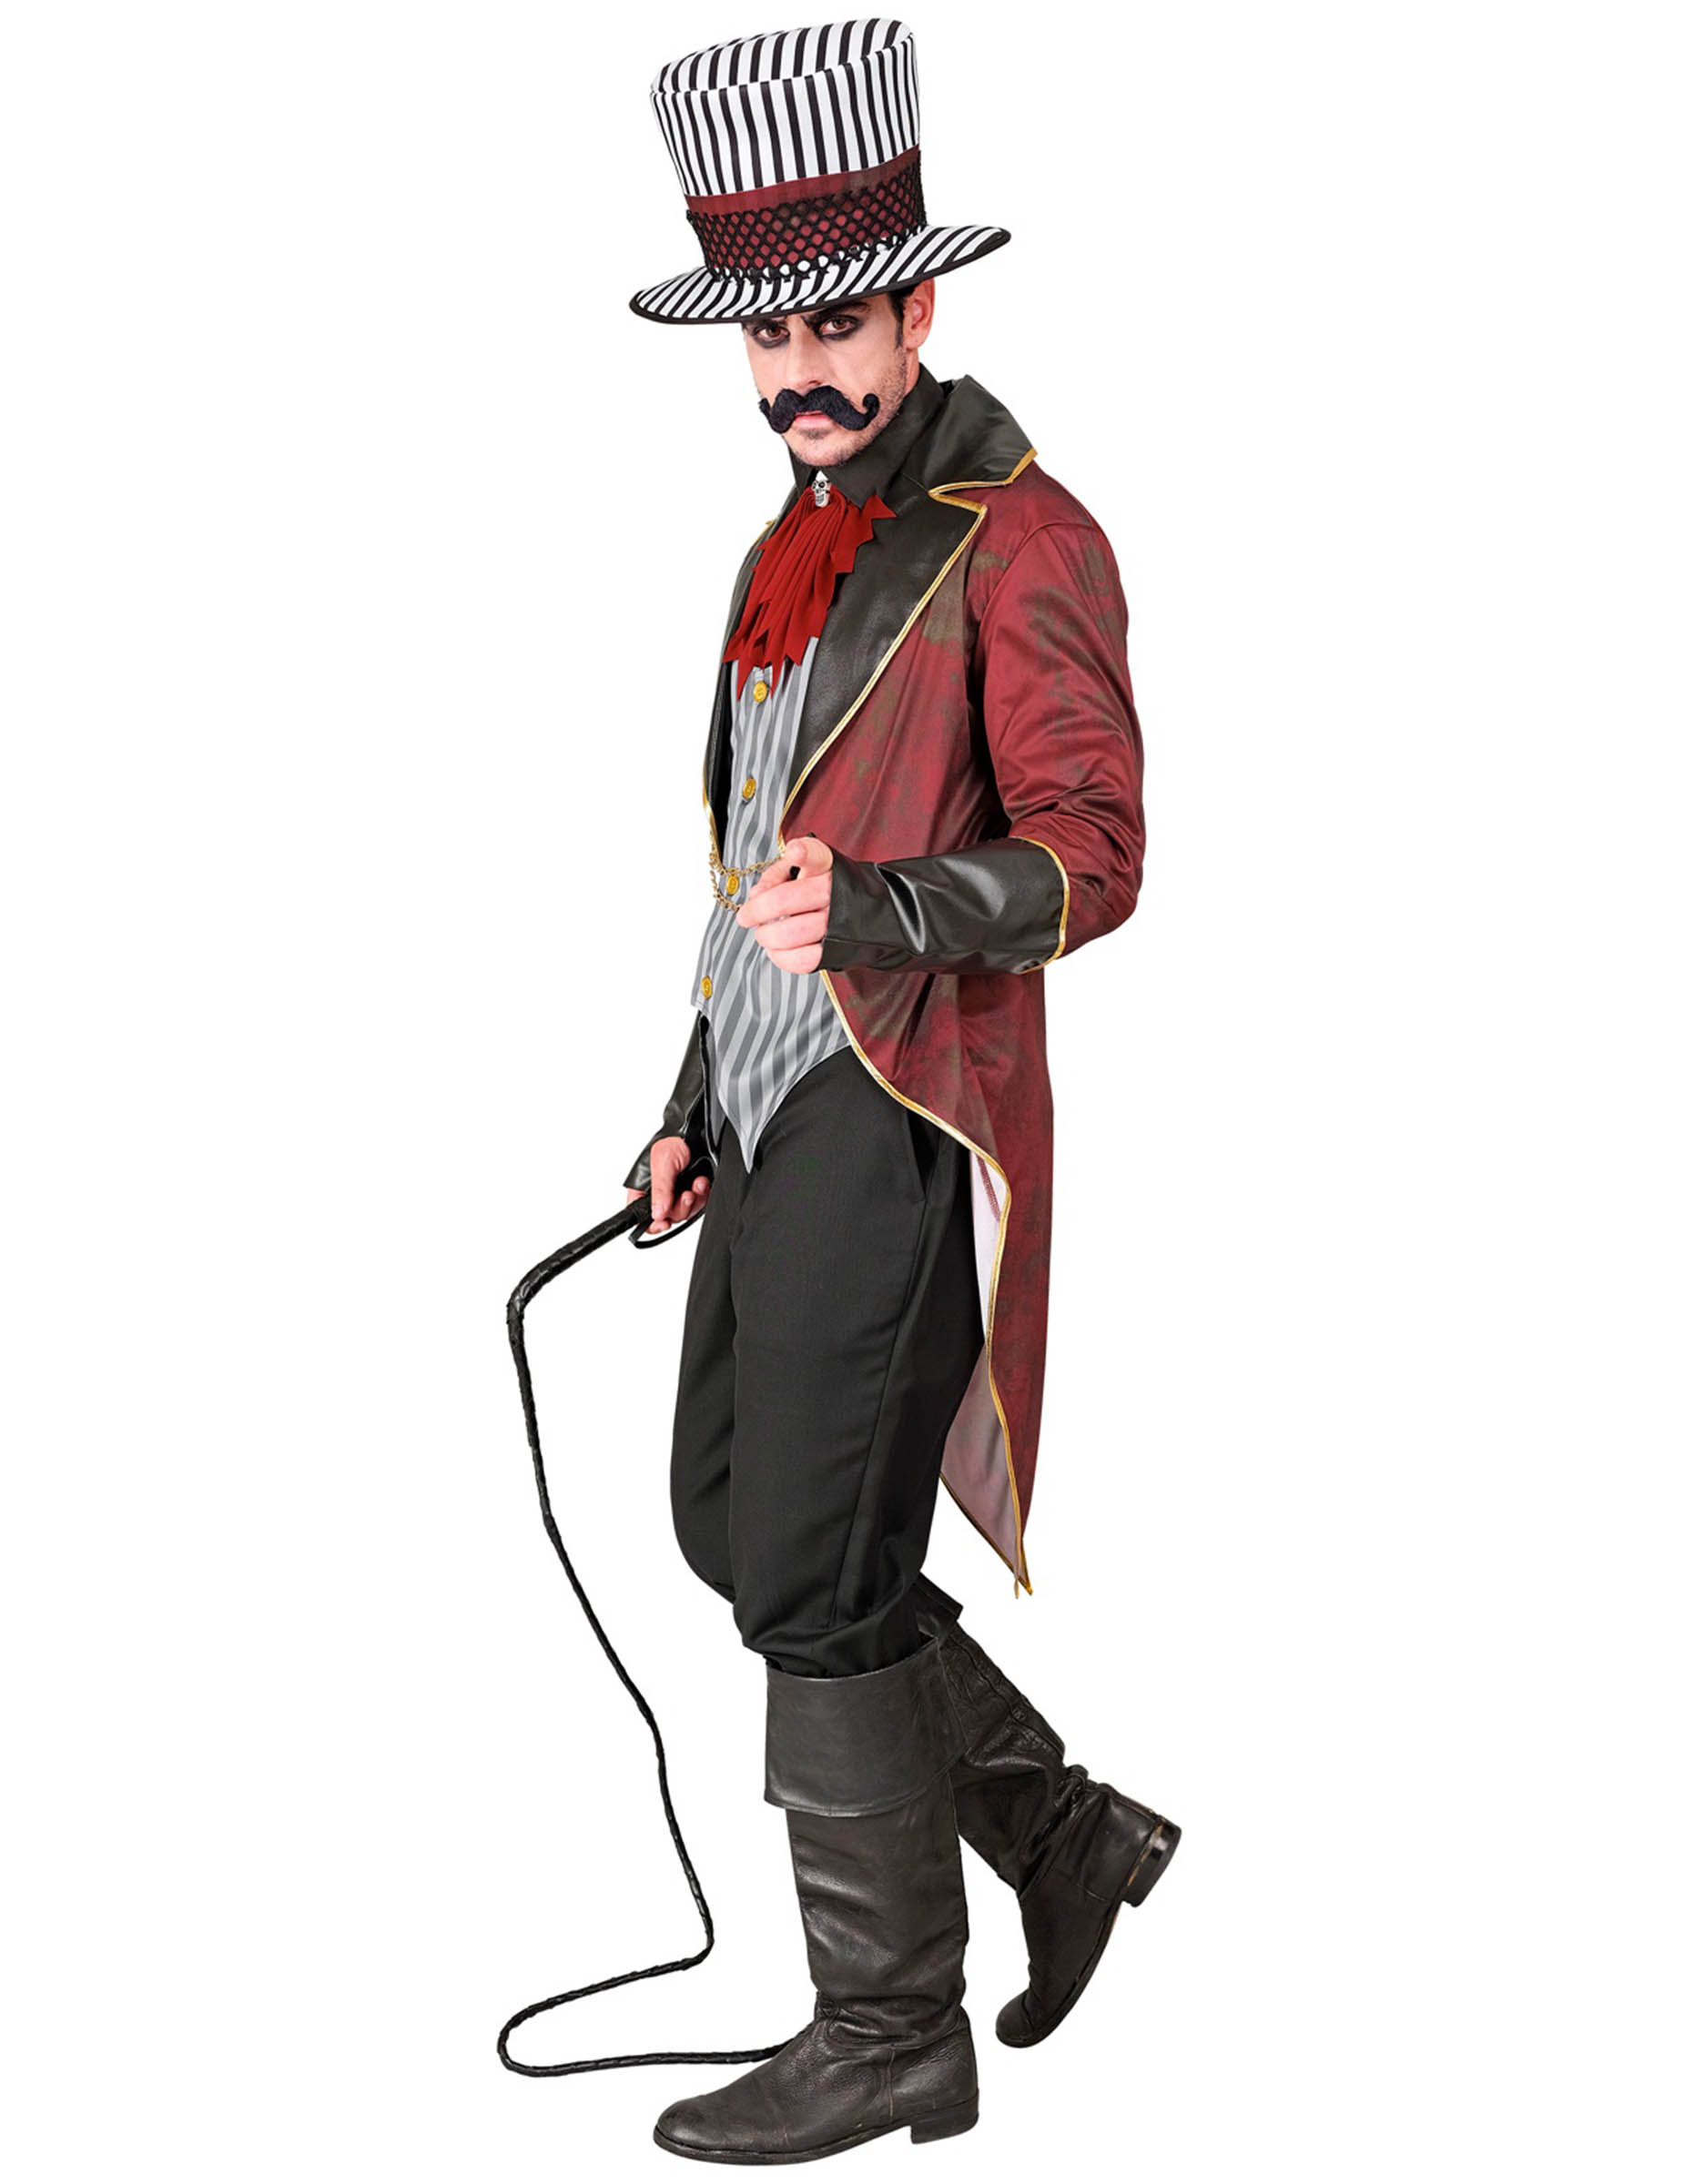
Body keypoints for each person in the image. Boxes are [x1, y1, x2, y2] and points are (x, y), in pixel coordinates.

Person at [616, 20, 1179, 2164]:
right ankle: (1054, 1826)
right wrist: (688, 1095)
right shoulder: (791, 548)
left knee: (812, 1574)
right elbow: (752, 864)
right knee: (730, 1519)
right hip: (770, 1116)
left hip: (902, 1112)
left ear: (917, 309)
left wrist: (880, 909)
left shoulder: (1018, 538)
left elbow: (1092, 859)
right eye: (766, 338)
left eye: (834, 327)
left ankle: (887, 2032)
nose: (799, 375)